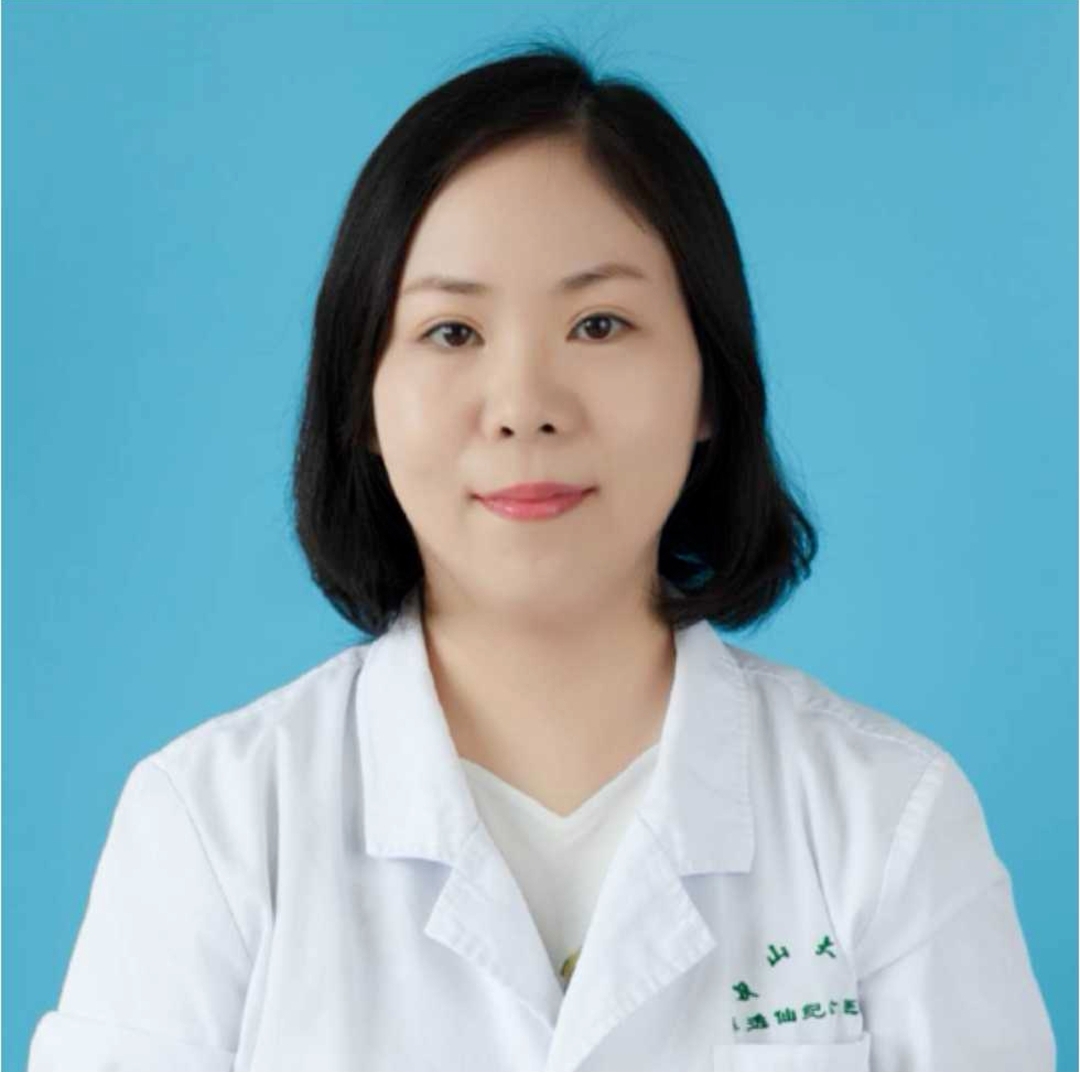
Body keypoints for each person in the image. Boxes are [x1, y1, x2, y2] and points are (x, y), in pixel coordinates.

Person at [27, 37, 1055, 1072]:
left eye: (599, 324)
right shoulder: (212, 826)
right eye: (452, 332)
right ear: (363, 401)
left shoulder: (886, 819)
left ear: (710, 383)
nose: (524, 406)